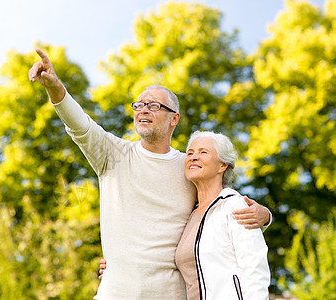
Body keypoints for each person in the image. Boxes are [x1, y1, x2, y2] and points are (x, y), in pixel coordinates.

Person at [28, 49, 271, 299]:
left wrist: (265, 216)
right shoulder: (112, 154)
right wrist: (55, 87)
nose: (144, 110)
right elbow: (79, 125)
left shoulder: (188, 167)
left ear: (174, 118)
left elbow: (218, 209)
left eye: (154, 105)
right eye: (139, 105)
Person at [175, 130, 270, 299]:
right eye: (190, 153)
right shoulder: (188, 214)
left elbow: (255, 269)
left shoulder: (234, 206)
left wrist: (267, 215)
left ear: (222, 165)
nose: (193, 157)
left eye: (203, 152)